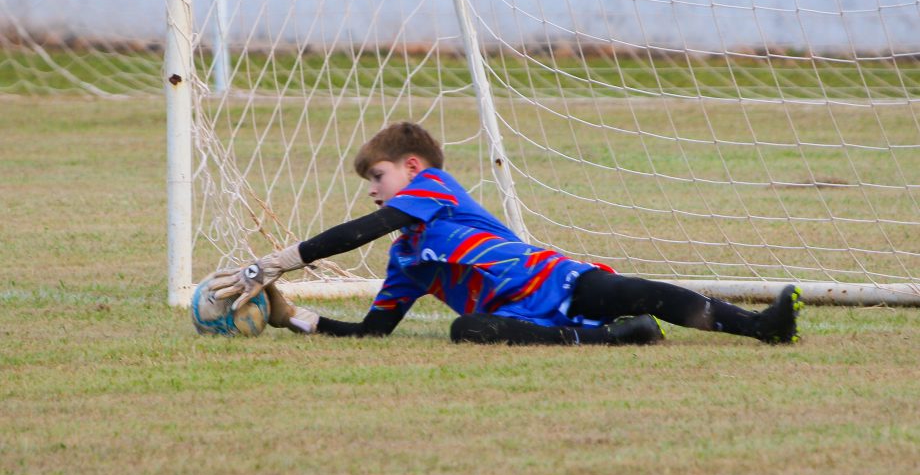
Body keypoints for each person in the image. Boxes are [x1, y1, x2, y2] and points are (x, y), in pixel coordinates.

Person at [211, 122, 803, 346]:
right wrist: (293, 317)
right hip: (526, 320)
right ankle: (620, 340)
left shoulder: (435, 190)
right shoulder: (406, 262)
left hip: (557, 281)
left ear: (414, 168)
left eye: (378, 175)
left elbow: (372, 225)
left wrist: (281, 259)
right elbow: (374, 331)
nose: (372, 187)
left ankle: (760, 327)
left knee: (641, 290)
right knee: (466, 329)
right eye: (369, 180)